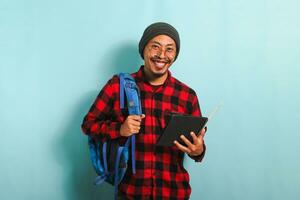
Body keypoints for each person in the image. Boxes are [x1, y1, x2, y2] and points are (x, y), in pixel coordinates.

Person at [81, 22, 206, 200]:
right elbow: (88, 125)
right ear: (144, 49)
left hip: (174, 192)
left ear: (175, 54)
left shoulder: (187, 95)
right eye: (155, 47)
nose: (162, 55)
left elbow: (198, 145)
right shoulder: (118, 86)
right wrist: (120, 130)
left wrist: (198, 151)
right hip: (131, 192)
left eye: (169, 49)